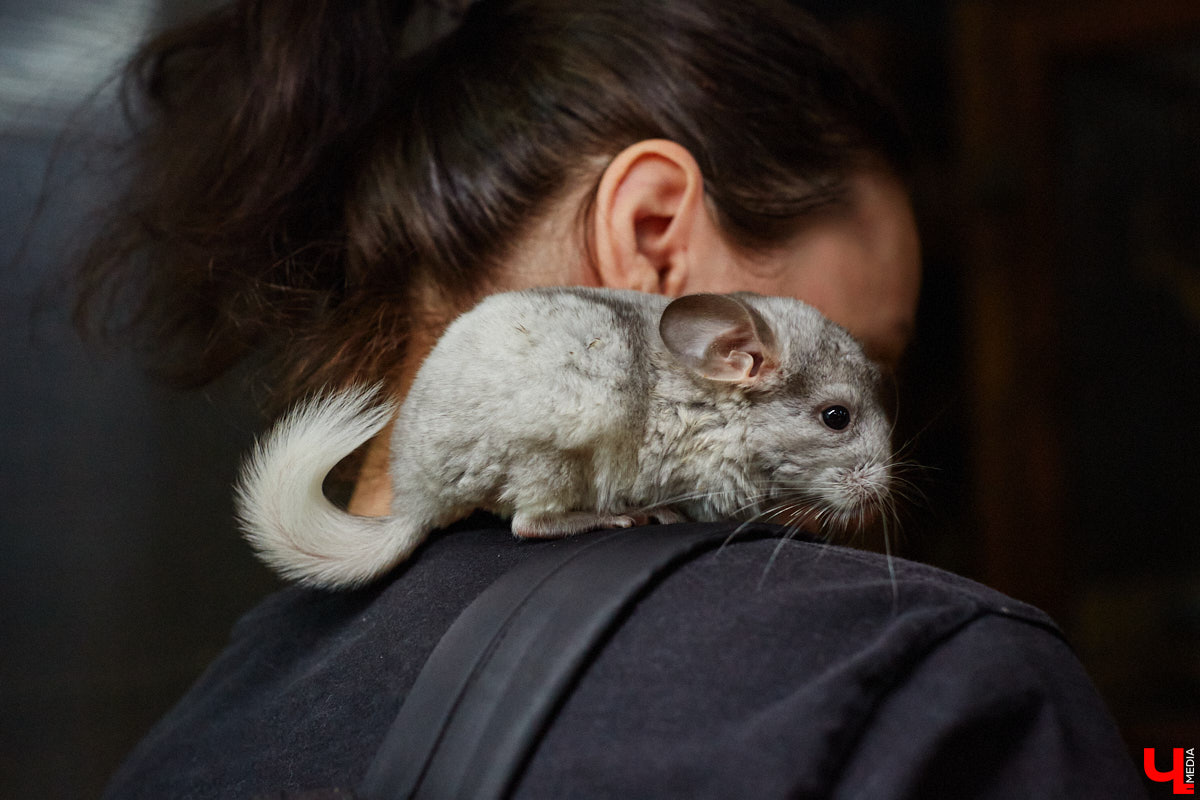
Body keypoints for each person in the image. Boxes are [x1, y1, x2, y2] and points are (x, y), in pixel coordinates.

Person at [83, 0, 1145, 797]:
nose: (869, 417)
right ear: (652, 240)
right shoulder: (934, 678)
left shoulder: (193, 734)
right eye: (859, 358)